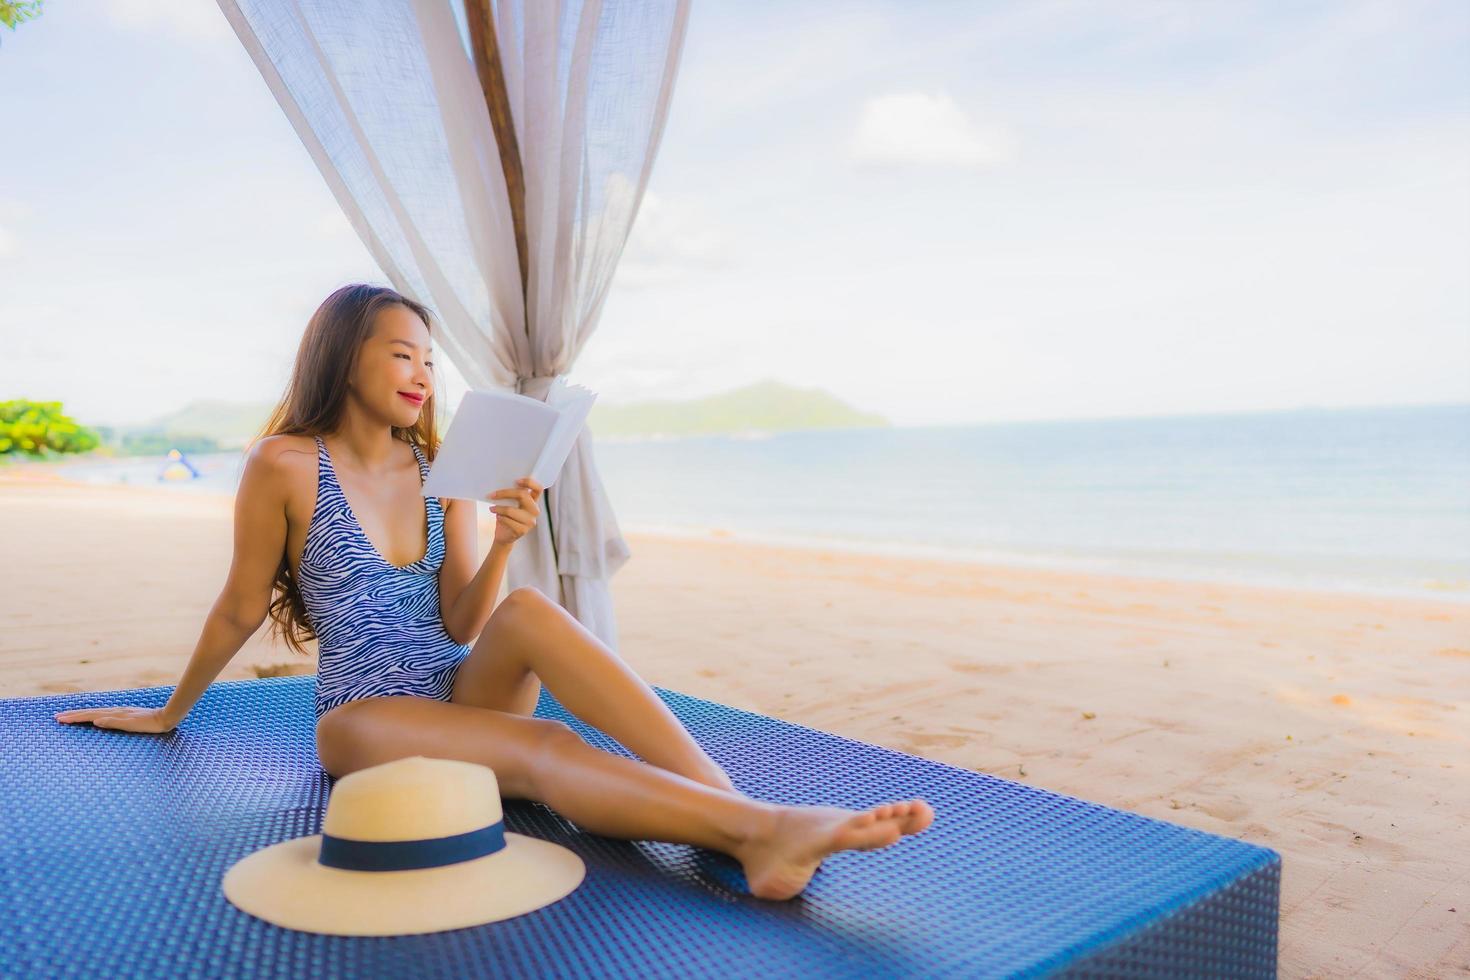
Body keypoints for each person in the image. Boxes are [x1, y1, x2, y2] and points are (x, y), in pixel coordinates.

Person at [54, 283, 933, 900]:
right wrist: (170, 713)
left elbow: (460, 619)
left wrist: (510, 536)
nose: (422, 376)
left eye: (430, 362)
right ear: (340, 356)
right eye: (402, 354)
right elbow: (241, 605)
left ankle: (744, 811)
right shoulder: (285, 463)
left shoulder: (440, 467)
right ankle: (753, 831)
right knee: (547, 738)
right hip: (364, 714)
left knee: (527, 611)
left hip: (456, 684)